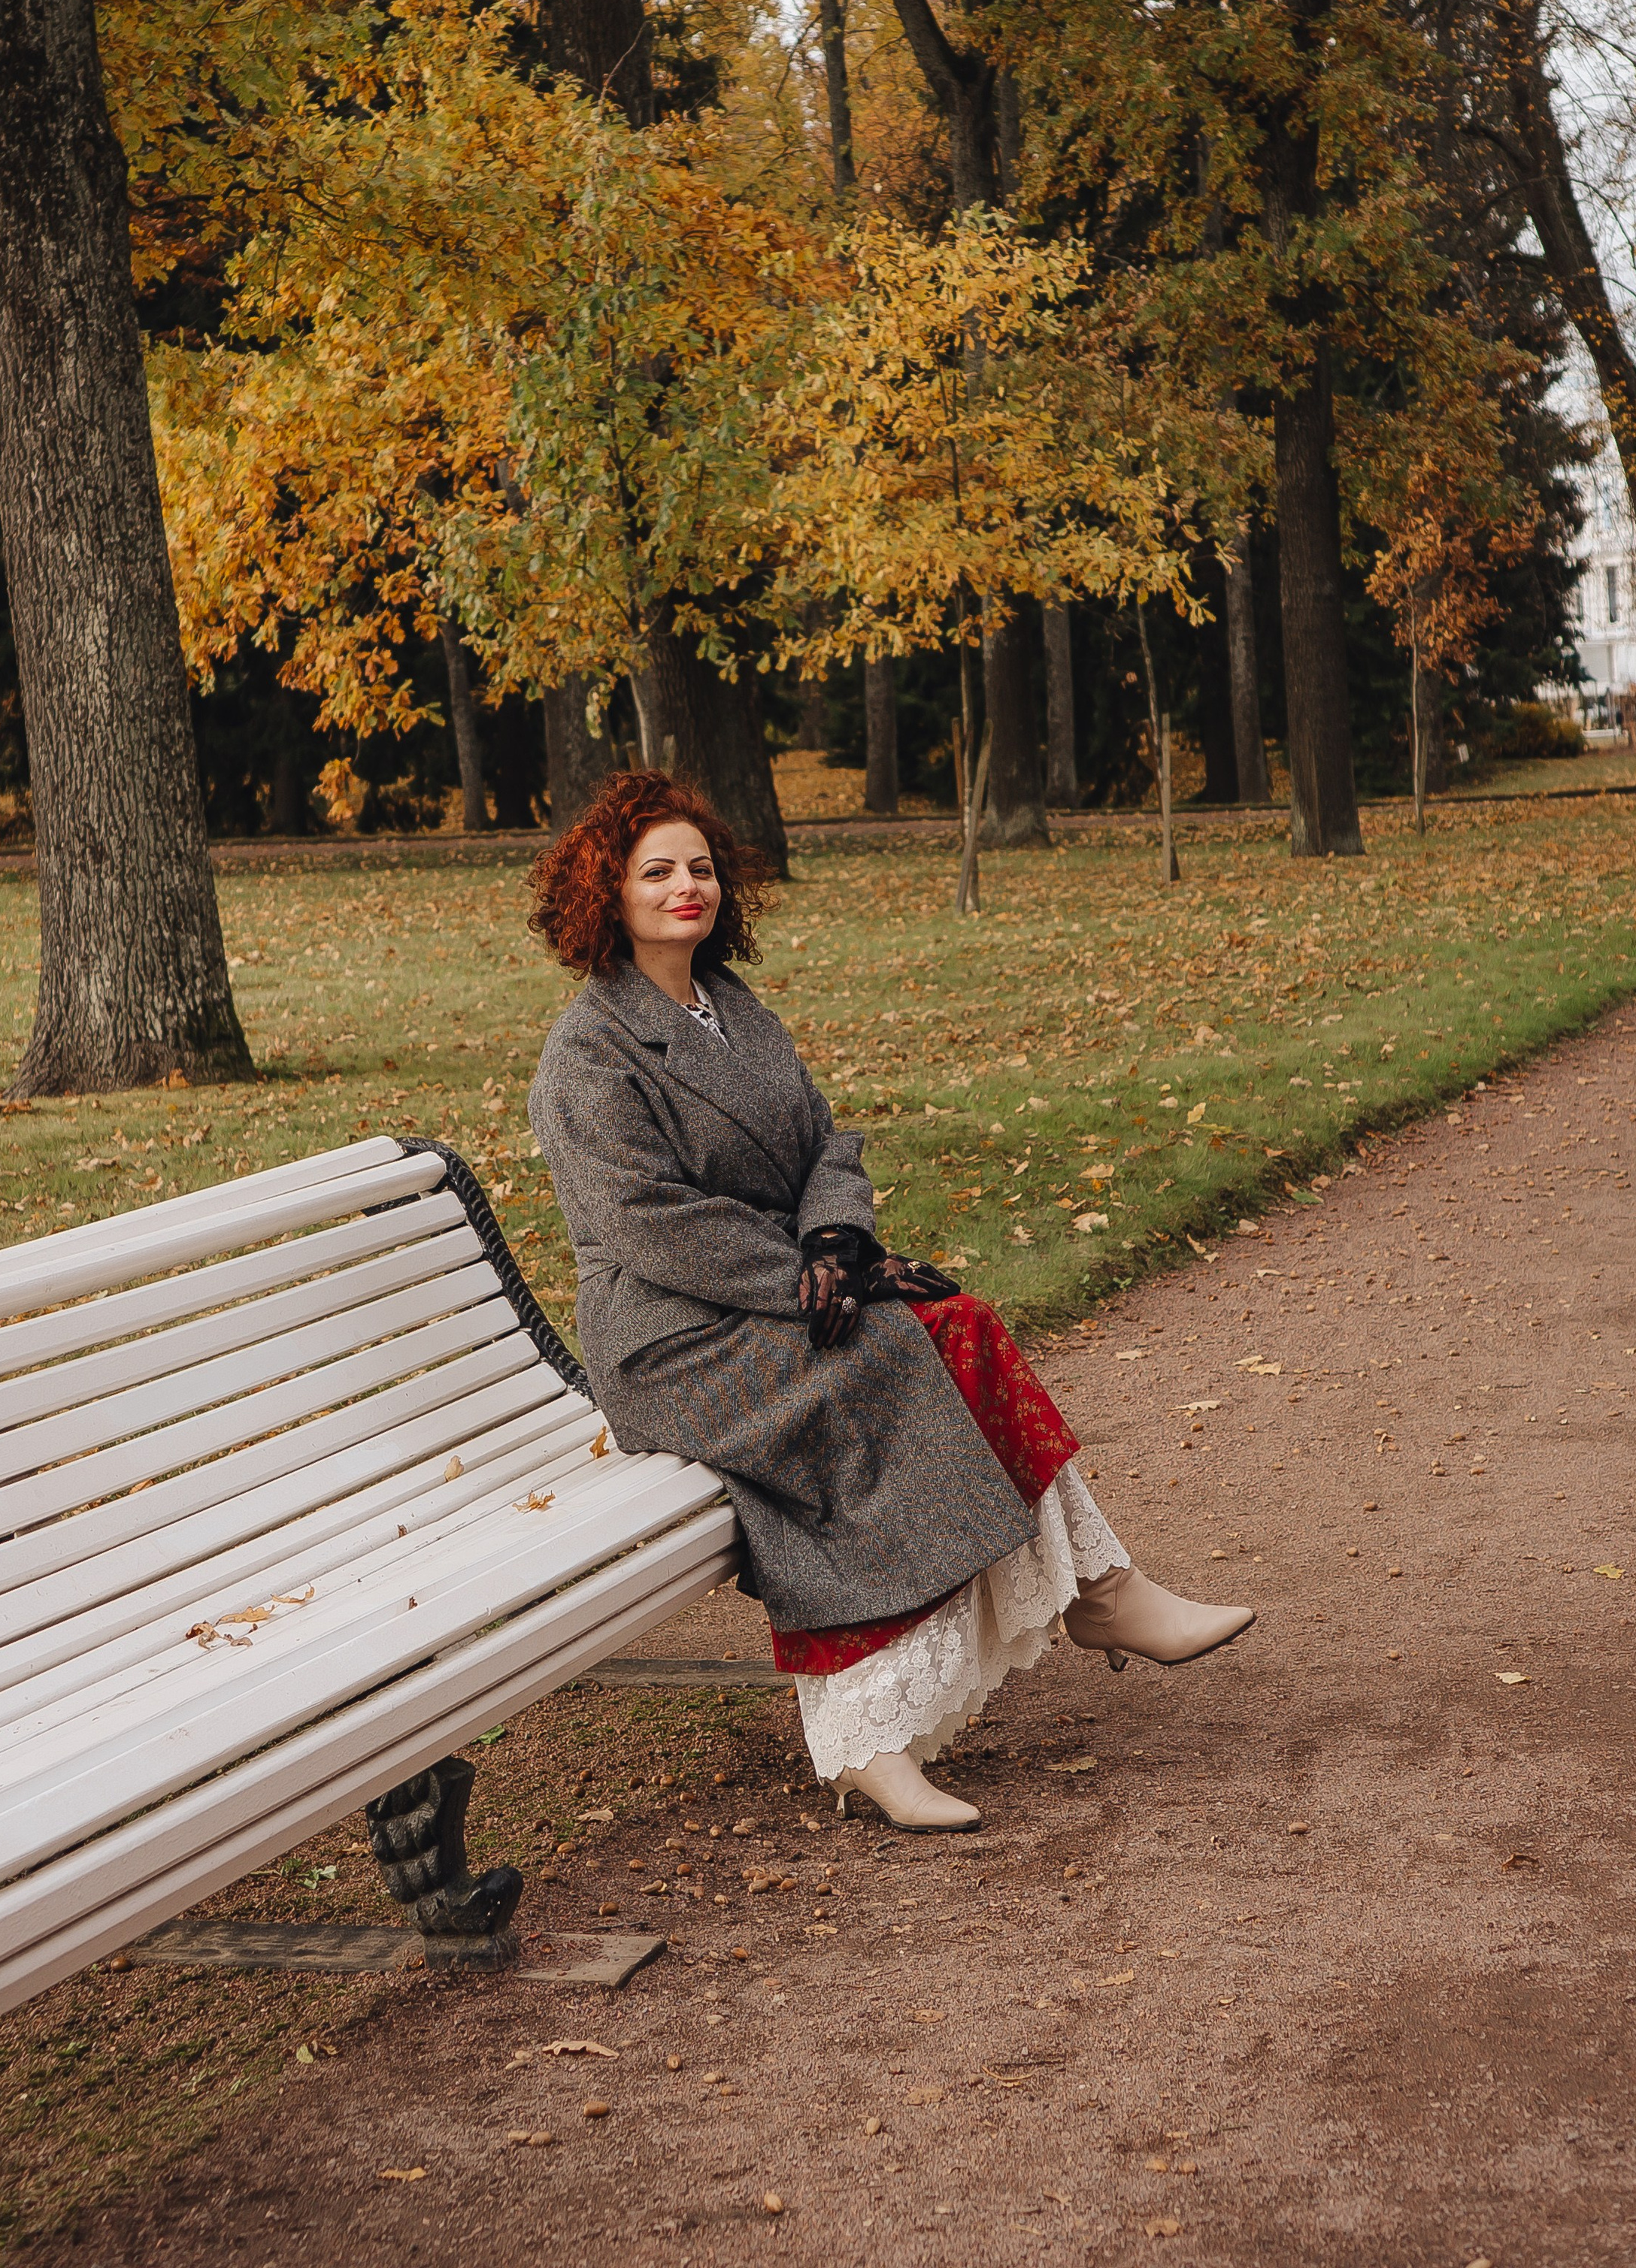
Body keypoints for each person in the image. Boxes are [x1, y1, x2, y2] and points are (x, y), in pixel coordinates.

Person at [526, 770, 1253, 1833]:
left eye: (701, 868)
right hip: (672, 1340)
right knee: (891, 1357)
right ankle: (869, 1735)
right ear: (609, 892)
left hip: (776, 1294)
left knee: (962, 1325)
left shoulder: (732, 1009)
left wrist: (838, 1241)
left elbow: (828, 1143)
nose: (688, 888)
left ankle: (1101, 1591)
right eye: (658, 873)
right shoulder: (588, 1050)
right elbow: (648, 1226)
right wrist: (825, 1279)